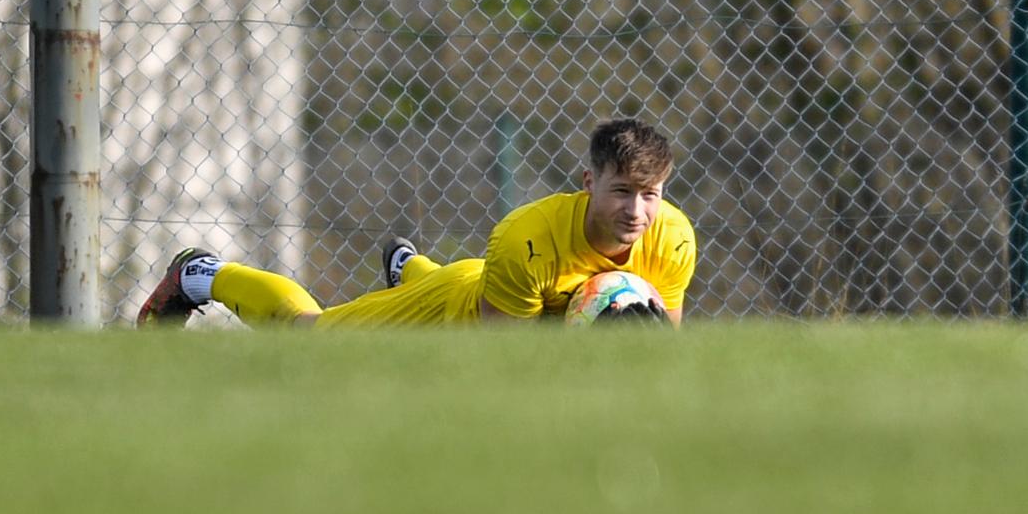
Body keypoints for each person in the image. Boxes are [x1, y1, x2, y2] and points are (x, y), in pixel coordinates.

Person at [137, 117, 698, 328]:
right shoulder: (529, 240)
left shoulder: (672, 240)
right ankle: (200, 274)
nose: (636, 211)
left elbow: (661, 350)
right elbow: (509, 368)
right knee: (309, 337)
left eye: (649, 195)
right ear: (589, 182)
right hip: (458, 311)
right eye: (621, 192)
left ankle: (407, 268)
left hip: (489, 287)